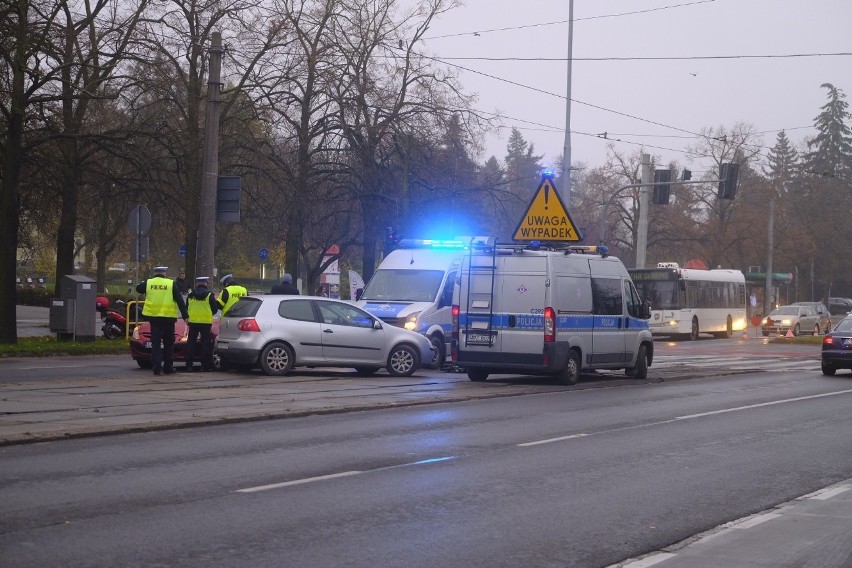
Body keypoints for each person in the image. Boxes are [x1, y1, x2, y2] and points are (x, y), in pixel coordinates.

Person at [136, 266, 188, 376]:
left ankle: (156, 368)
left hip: (154, 318)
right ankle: (168, 367)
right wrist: (185, 316)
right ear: (165, 273)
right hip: (168, 319)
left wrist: (143, 282)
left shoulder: (149, 283)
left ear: (155, 273)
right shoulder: (171, 284)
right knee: (169, 343)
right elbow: (179, 300)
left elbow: (138, 289)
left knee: (156, 343)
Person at [185, 276, 219, 372]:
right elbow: (215, 309)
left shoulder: (191, 295)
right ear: (206, 283)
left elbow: (186, 307)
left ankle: (189, 365)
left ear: (197, 284)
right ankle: (204, 366)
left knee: (191, 343)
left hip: (193, 322)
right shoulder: (209, 295)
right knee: (205, 344)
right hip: (205, 322)